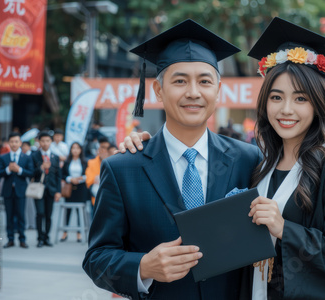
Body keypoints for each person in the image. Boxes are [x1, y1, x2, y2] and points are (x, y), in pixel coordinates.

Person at [122, 17, 325, 300]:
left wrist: (285, 229)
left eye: (301, 98)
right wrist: (147, 147)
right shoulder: (259, 163)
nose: (286, 110)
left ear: (319, 102)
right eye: (276, 97)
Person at [83, 19, 260, 300]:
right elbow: (96, 259)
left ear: (218, 91)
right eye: (180, 81)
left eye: (204, 81)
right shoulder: (123, 168)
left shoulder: (249, 159)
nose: (193, 92)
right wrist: (142, 267)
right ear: (158, 90)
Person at [0, 132, 34, 248]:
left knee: (21, 215)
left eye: (16, 141)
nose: (14, 144)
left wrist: (19, 170)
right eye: (12, 141)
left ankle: (22, 239)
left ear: (20, 143)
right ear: (9, 143)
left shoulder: (27, 157)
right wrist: (8, 169)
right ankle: (10, 239)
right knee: (9, 216)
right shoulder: (4, 157)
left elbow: (31, 172)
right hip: (8, 191)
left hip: (21, 190)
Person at [31, 131, 62, 247]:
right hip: (38, 190)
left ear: (51, 142)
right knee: (40, 213)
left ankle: (46, 237)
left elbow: (59, 176)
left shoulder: (55, 157)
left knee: (49, 215)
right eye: (42, 141)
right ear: (39, 142)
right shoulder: (34, 156)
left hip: (51, 189)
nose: (45, 143)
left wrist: (58, 191)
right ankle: (39, 238)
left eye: (47, 141)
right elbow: (30, 173)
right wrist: (40, 168)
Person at [61, 142, 89, 242]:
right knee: (67, 211)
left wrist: (81, 178)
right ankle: (65, 233)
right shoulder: (67, 162)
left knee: (80, 211)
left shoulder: (85, 162)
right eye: (73, 148)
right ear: (71, 150)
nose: (75, 150)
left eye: (77, 148)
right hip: (69, 188)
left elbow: (88, 174)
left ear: (81, 150)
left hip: (81, 188)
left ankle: (79, 234)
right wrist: (70, 179)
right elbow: (63, 175)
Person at [85, 137, 111, 206]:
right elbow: (89, 181)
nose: (104, 150)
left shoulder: (114, 162)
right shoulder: (91, 162)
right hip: (96, 199)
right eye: (102, 147)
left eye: (106, 148)